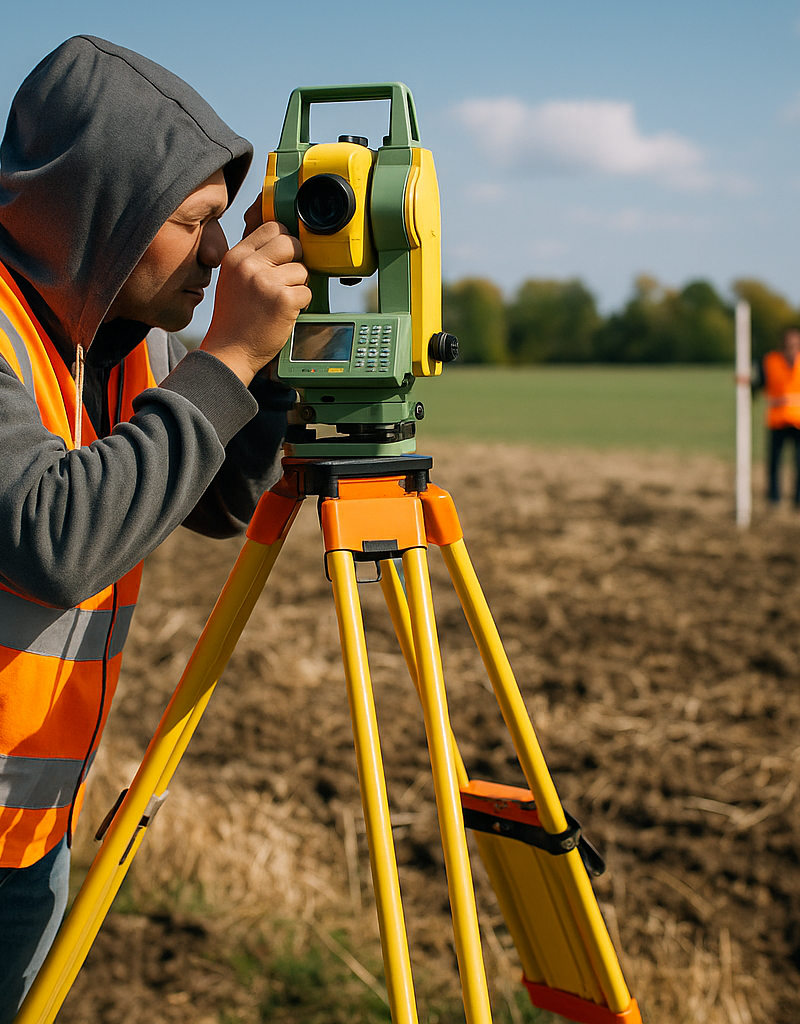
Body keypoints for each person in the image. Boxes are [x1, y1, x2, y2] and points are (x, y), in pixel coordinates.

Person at [0, 35, 311, 1018]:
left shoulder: (119, 346)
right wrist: (227, 361)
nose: (218, 253)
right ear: (104, 206)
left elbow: (215, 500)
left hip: (30, 830)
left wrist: (266, 371)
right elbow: (53, 536)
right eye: (194, 222)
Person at [754, 326, 800, 506]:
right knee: (774, 462)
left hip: (798, 420)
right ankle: (774, 498)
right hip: (777, 420)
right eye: (789, 343)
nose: (791, 347)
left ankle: (798, 500)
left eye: (795, 343)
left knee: (799, 462)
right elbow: (759, 384)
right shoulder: (770, 361)